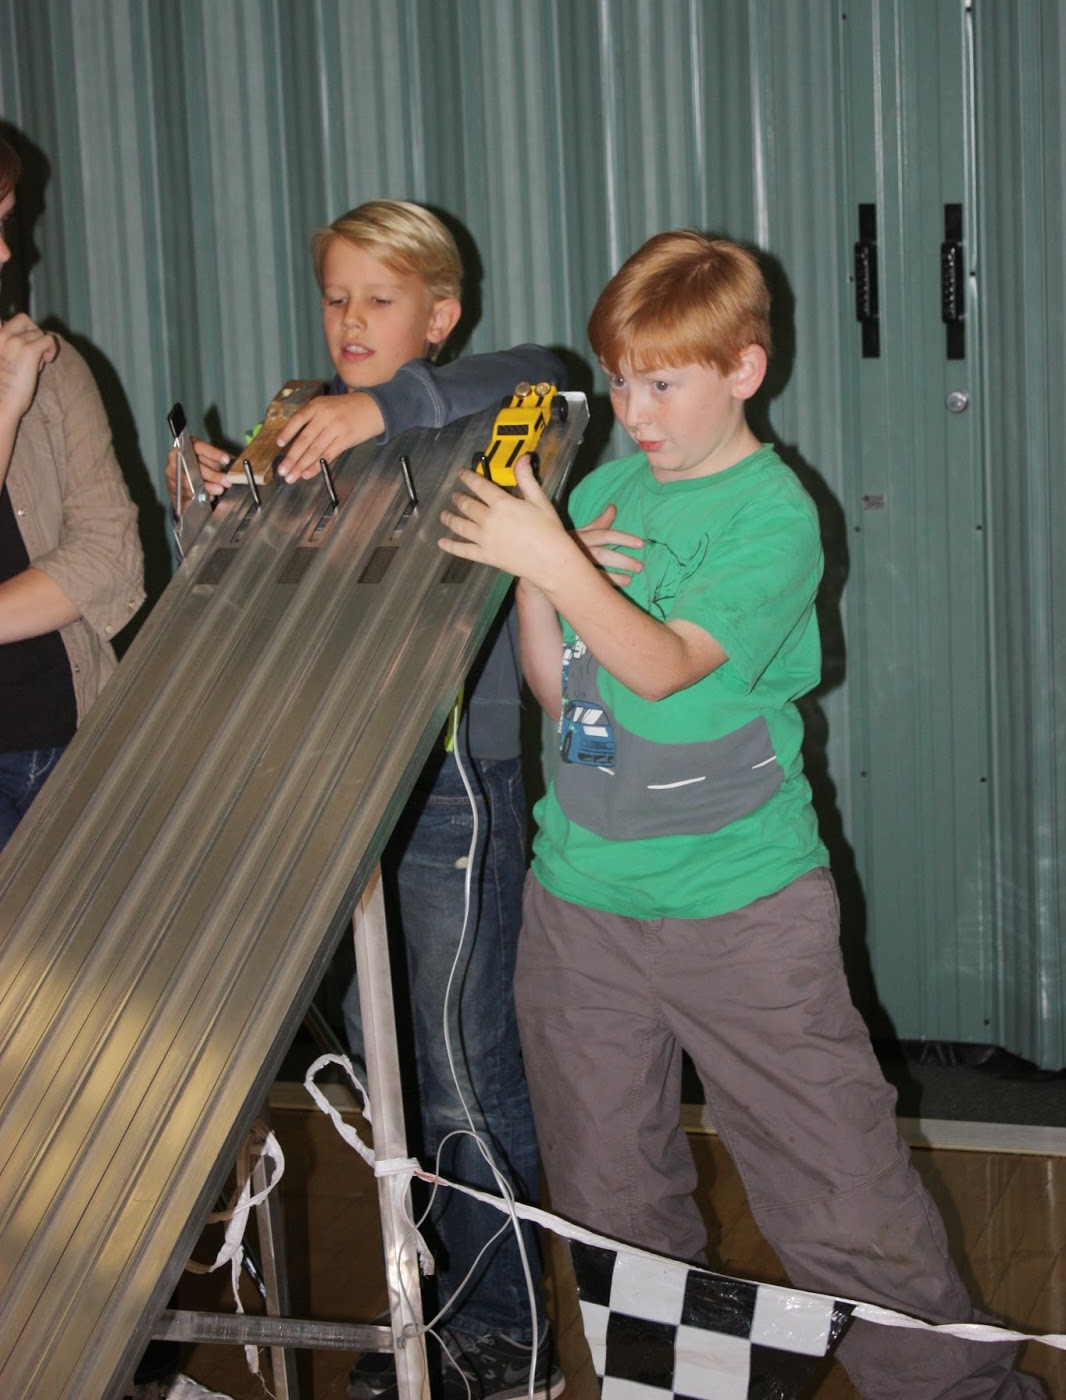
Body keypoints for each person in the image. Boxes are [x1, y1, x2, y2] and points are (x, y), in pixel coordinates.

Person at [438, 230, 1045, 1400]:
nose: (633, 412)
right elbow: (567, 695)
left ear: (743, 370)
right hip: (581, 910)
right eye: (620, 382)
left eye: (663, 384)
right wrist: (535, 576)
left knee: (841, 1197)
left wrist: (552, 559)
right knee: (612, 1205)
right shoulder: (603, 492)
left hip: (743, 914)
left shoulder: (775, 515)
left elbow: (663, 667)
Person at [170, 201, 564, 1400]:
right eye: (336, 297)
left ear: (440, 316)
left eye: (379, 300)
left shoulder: (486, 405)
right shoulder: (295, 423)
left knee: (460, 1068)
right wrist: (217, 508)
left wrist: (383, 407)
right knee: (390, 1075)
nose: (349, 320)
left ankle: (507, 1340)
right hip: (329, 785)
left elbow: (553, 374)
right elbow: (258, 604)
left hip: (447, 788)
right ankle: (428, 1324)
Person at [0, 136, 144, 849]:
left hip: (69, 744)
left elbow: (111, 562)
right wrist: (4, 409)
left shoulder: (53, 369)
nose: (6, 252)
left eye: (4, 222)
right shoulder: (20, 381)